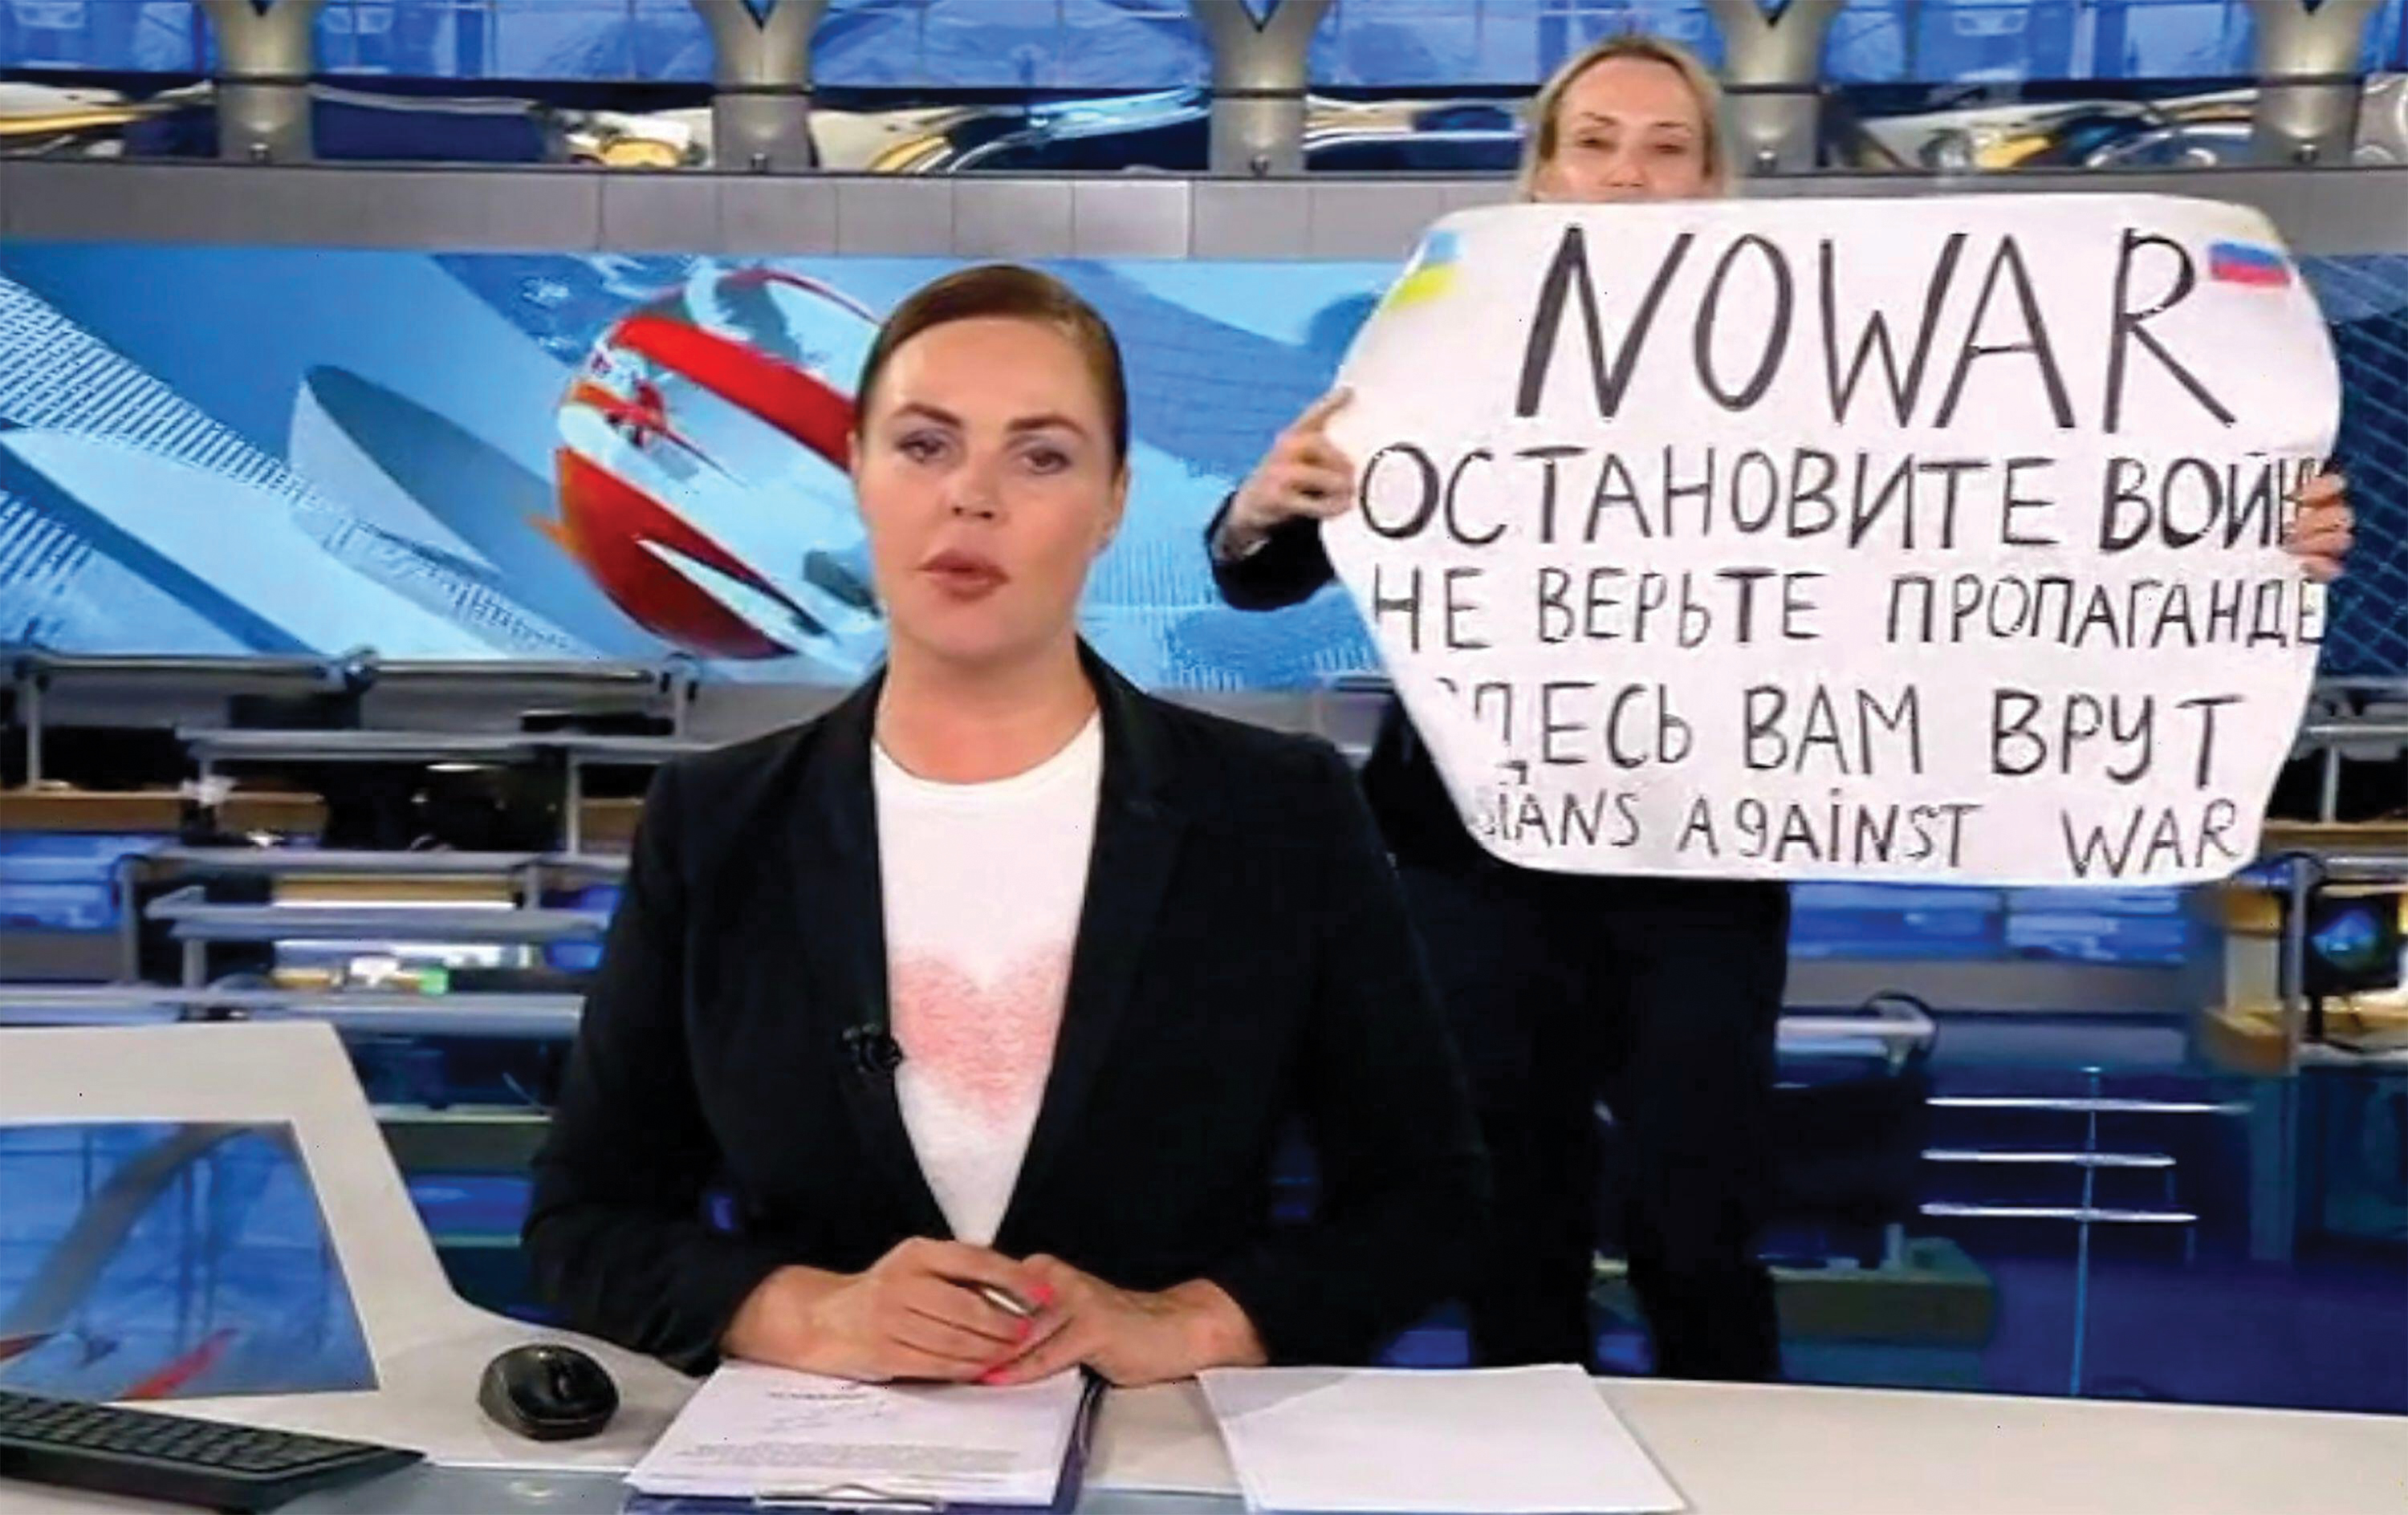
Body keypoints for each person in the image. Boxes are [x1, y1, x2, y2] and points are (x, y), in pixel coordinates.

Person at [1208, 33, 2357, 1383]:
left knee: (1699, 1211)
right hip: (1474, 857)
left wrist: (2232, 530)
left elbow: (2034, 496)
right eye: (1596, 145)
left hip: (1702, 860)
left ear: (1715, 186)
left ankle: (1726, 1462)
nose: (1628, 178)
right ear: (1539, 179)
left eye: (1666, 148)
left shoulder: (1817, 371)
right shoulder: (1429, 356)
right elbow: (1267, 575)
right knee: (1512, 1210)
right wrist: (1255, 508)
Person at [524, 264, 1485, 1387]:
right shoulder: (718, 821)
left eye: (1042, 456)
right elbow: (586, 1221)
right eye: (925, 446)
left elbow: (1428, 1201)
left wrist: (1194, 1323)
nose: (972, 497)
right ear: (858, 471)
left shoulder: (1279, 810)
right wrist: (807, 1313)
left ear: (1115, 500)